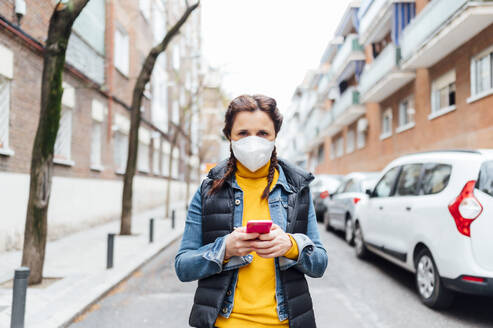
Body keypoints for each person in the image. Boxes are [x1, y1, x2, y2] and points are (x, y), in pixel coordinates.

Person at [174, 94, 328, 328]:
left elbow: (320, 264)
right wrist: (224, 249)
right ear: (229, 136)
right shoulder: (208, 191)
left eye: (263, 133)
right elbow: (183, 267)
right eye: (243, 133)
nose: (253, 141)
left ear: (275, 136)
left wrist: (291, 246)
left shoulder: (297, 191)